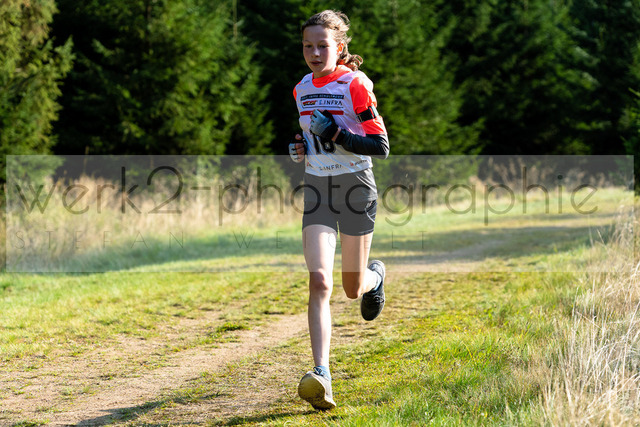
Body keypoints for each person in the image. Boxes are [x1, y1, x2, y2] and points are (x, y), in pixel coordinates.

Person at [288, 9, 390, 411]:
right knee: (318, 280)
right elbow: (309, 138)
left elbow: (380, 146)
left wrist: (336, 134)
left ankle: (375, 277)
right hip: (317, 189)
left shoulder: (355, 85)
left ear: (340, 47)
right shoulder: (301, 88)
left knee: (351, 287)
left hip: (355, 189)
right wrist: (300, 148)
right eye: (307, 46)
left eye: (322, 46)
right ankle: (321, 374)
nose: (314, 53)